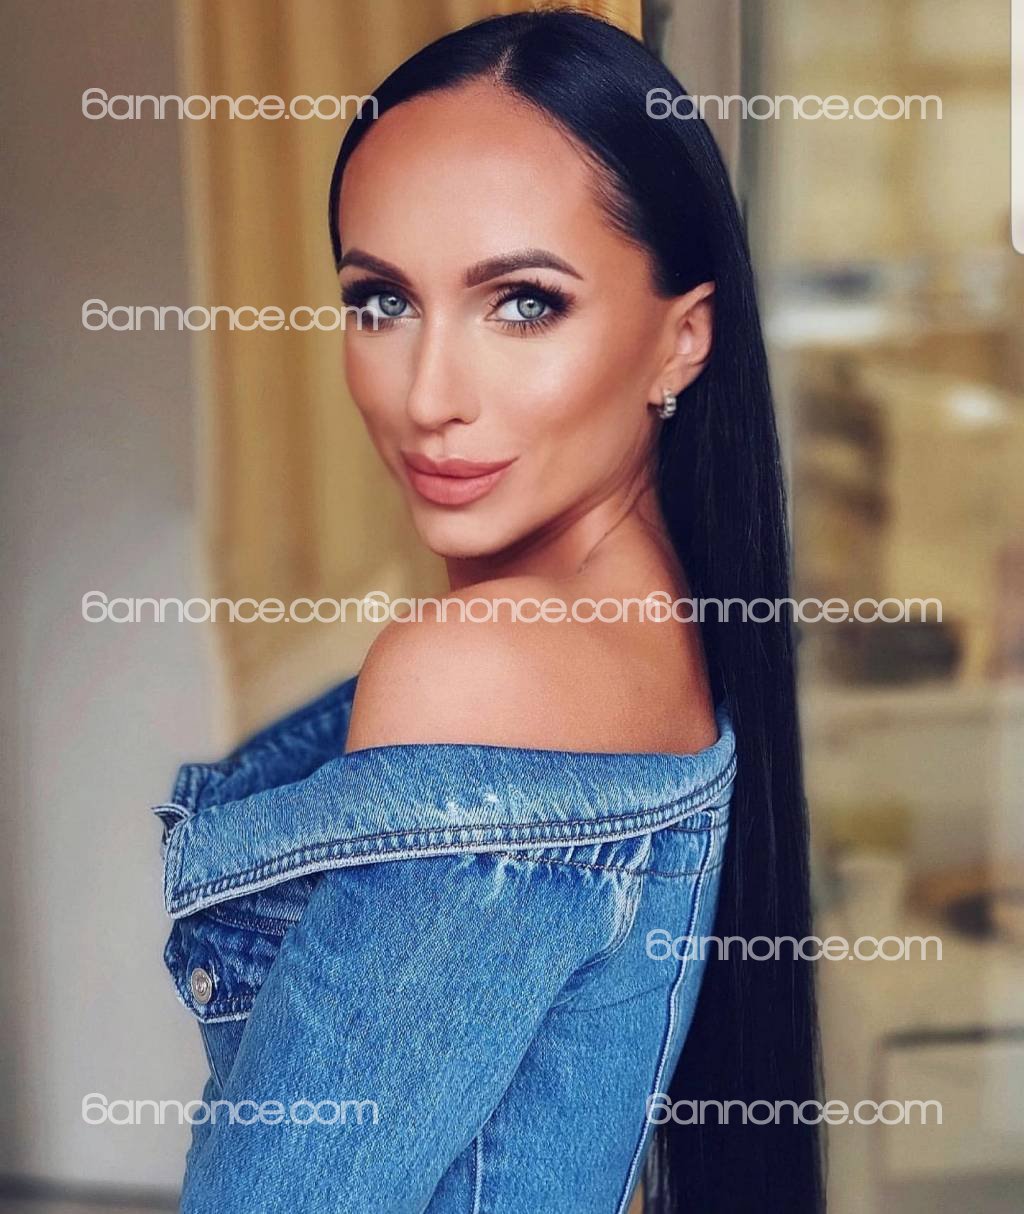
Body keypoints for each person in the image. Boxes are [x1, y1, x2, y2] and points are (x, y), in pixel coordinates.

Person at [153, 10, 821, 1211]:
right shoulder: (664, 623)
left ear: (682, 339)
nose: (428, 396)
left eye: (522, 303)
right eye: (380, 301)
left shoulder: (483, 668)